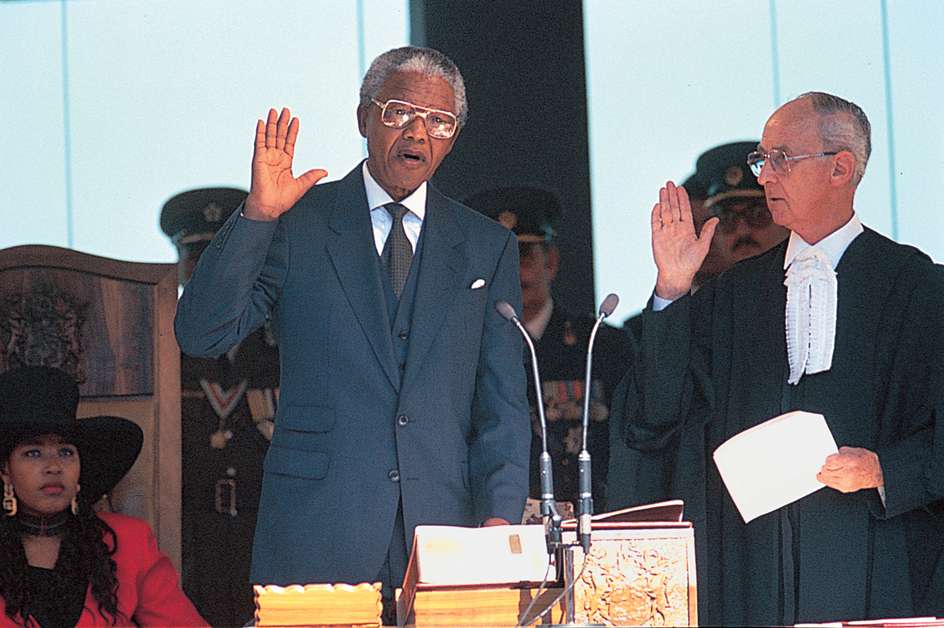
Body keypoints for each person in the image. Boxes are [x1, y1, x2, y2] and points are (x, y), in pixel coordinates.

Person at [173, 46, 530, 618]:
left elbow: (503, 405)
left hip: (446, 538)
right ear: (363, 118)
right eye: (398, 111)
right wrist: (258, 216)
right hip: (318, 531)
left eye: (438, 120)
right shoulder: (298, 220)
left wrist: (498, 520)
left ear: (453, 136)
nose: (418, 131)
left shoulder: (487, 246)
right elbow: (202, 332)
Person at [614, 92, 944, 625]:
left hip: (878, 562)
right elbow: (656, 416)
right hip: (751, 569)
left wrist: (886, 469)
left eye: (781, 159)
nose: (765, 175)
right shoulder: (729, 296)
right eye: (761, 160)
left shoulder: (919, 289)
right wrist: (673, 290)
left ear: (841, 167)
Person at [463, 185, 633, 519]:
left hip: (589, 527)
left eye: (524, 255)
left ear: (551, 263)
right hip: (496, 528)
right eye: (500, 259)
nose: (513, 271)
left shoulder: (602, 345)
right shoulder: (459, 351)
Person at [0, 365, 209, 628]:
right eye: (33, 453)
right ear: (5, 470)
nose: (54, 466)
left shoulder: (131, 541)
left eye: (66, 452)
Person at [161, 187, 279, 627]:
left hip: (266, 529)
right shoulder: (162, 346)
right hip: (189, 533)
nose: (205, 272)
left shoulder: (284, 341)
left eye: (219, 259)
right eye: (195, 260)